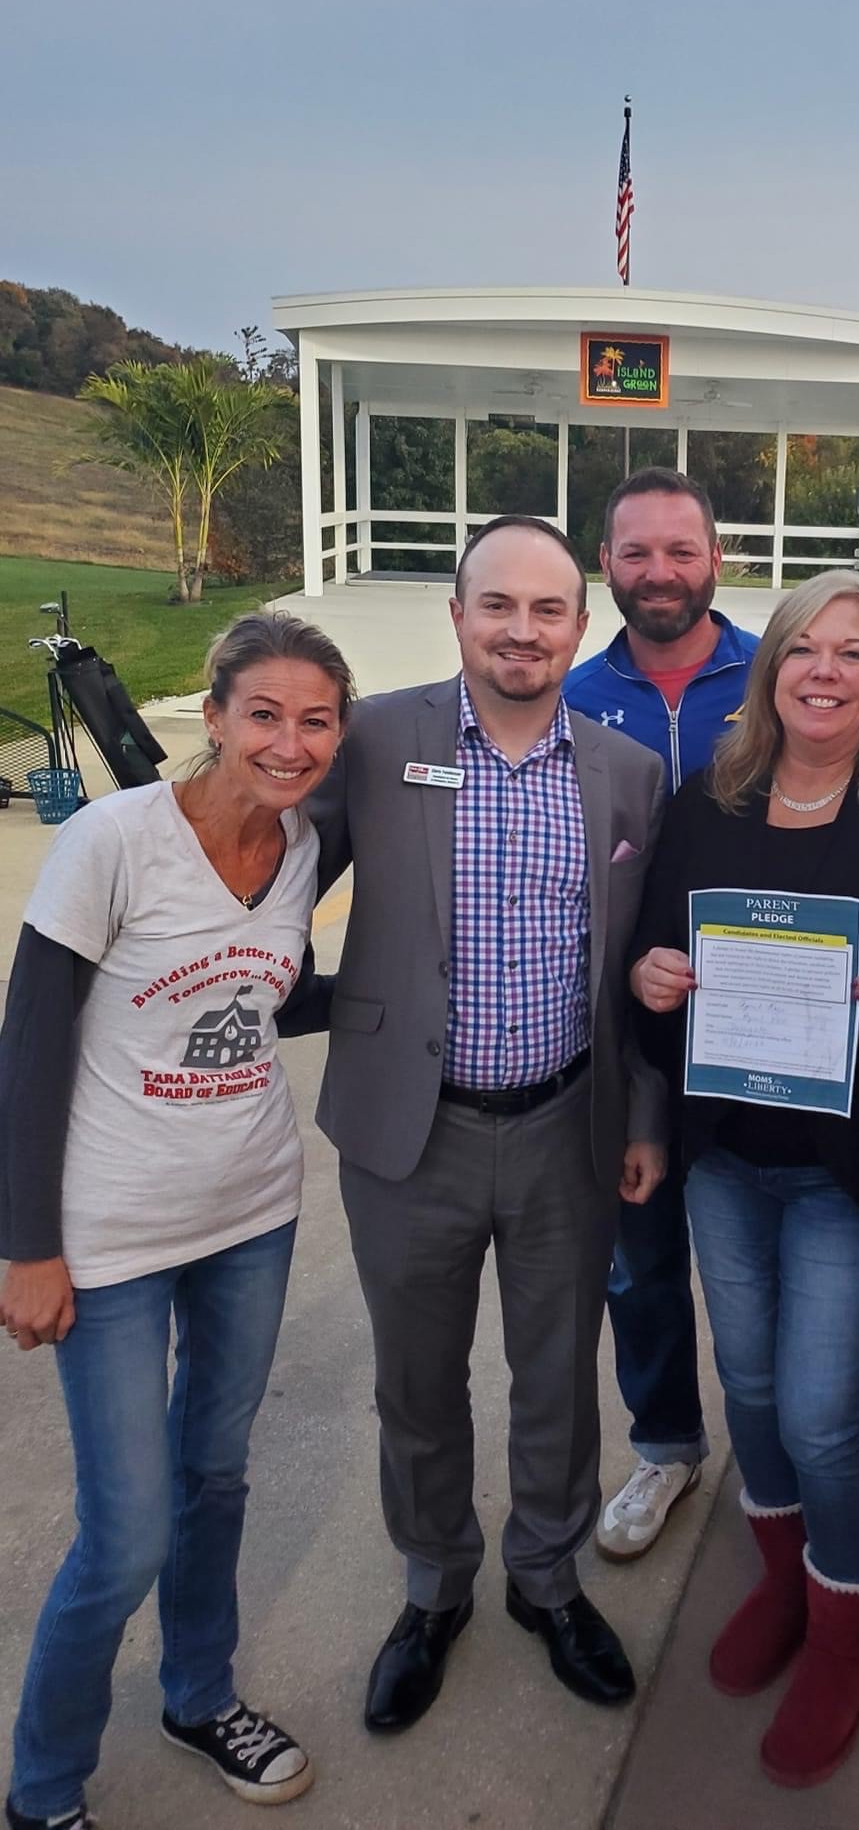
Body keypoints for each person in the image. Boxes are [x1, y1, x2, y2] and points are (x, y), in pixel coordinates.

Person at [631, 567, 859, 1789]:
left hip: (852, 1163)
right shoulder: (708, 799)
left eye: (852, 653)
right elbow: (651, 950)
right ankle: (787, 1581)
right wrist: (650, 978)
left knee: (818, 1408)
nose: (826, 671)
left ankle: (850, 1624)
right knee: (747, 1384)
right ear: (771, 668)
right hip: (728, 1156)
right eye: (805, 648)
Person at [307, 514, 668, 1733]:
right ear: (456, 615)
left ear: (580, 622)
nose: (522, 629)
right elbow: (276, 872)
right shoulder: (375, 739)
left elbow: (634, 966)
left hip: (567, 1123)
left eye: (547, 607)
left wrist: (644, 1115)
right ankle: (434, 1583)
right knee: (417, 1379)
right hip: (410, 1131)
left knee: (558, 1374)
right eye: (497, 604)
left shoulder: (627, 772)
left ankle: (546, 1577)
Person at [0, 612, 355, 1830]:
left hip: (251, 1210)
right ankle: (44, 1787)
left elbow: (266, 997)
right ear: (212, 716)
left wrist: (400, 994)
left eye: (316, 720)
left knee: (215, 1476)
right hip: (109, 1234)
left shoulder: (301, 847)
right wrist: (26, 1244)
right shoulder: (112, 841)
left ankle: (199, 1695)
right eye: (265, 714)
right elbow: (31, 1044)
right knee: (126, 1533)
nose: (290, 742)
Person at [565, 467, 859, 1562]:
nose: (659, 570)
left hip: (783, 1052)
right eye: (635, 551)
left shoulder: (781, 669)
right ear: (607, 563)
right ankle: (667, 1443)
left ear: (716, 558)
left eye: (681, 549)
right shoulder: (575, 697)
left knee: (810, 1304)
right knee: (641, 1265)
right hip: (633, 1025)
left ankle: (840, 1455)